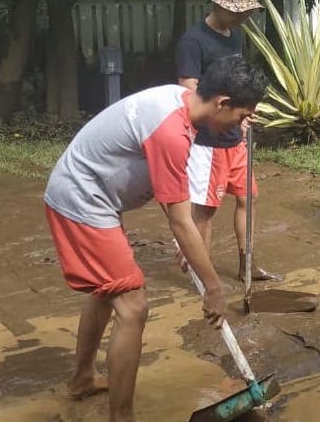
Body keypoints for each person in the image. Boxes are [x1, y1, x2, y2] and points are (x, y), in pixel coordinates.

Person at [43, 55, 268, 422]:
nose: (242, 126)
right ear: (222, 102)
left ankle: (83, 379)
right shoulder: (171, 131)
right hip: (82, 199)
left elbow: (172, 200)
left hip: (91, 193)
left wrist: (188, 244)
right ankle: (123, 417)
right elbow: (181, 220)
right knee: (133, 305)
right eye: (242, 116)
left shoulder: (179, 100)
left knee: (108, 290)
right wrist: (213, 288)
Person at [175, 0, 280, 281]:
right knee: (205, 211)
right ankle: (203, 276)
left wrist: (243, 115)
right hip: (209, 142)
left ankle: (246, 265)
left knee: (249, 198)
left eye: (247, 11)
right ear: (219, 5)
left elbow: (237, 82)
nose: (244, 17)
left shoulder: (233, 35)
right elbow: (188, 92)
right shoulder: (193, 42)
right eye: (239, 11)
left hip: (236, 139)